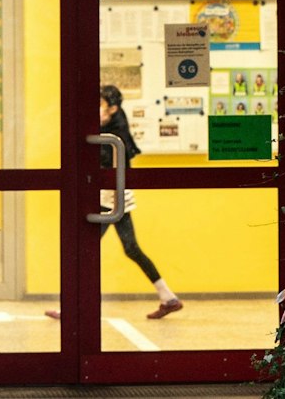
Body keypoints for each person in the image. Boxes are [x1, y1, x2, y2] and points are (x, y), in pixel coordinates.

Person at [47, 87, 183, 322]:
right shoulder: (105, 124)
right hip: (111, 195)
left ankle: (70, 307)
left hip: (110, 197)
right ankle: (167, 296)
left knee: (83, 248)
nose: (95, 108)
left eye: (100, 104)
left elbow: (106, 161)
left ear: (112, 108)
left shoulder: (115, 130)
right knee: (130, 248)